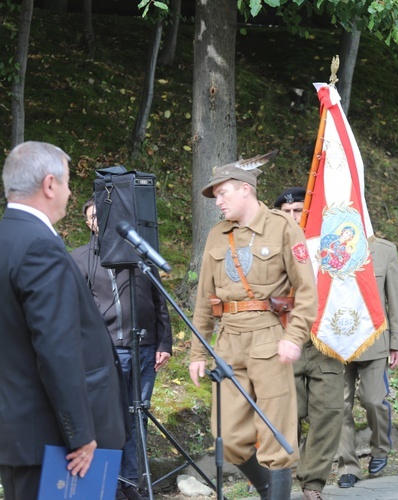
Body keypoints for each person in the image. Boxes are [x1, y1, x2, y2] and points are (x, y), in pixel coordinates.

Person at [0, 141, 126, 500]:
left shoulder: (6, 238)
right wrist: (81, 434)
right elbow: (57, 349)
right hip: (55, 444)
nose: (71, 193)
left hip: (18, 432)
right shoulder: (40, 246)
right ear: (50, 184)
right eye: (69, 183)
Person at [189, 160, 317, 500]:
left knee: (275, 432)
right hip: (228, 342)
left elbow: (306, 290)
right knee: (227, 437)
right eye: (216, 195)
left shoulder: (283, 227)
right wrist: (198, 352)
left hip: (269, 339)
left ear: (246, 189)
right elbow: (204, 299)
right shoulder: (217, 234)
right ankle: (264, 489)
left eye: (223, 193)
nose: (218, 201)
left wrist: (294, 337)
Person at [71, 198, 173, 500]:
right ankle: (111, 483)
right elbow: (78, 310)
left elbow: (159, 302)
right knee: (111, 419)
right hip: (109, 353)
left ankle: (132, 482)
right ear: (87, 224)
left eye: (101, 215)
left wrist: (164, 342)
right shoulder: (80, 259)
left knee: (137, 417)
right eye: (91, 218)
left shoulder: (140, 253)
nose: (97, 221)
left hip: (146, 348)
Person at [274, 186, 344, 500]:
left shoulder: (330, 248)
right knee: (287, 413)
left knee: (328, 413)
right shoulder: (268, 248)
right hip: (286, 339)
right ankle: (278, 476)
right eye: (286, 212)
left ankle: (312, 483)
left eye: (298, 211)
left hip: (324, 341)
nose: (292, 217)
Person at [337, 236, 398, 488]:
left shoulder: (384, 250)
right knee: (340, 407)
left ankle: (380, 448)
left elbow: (395, 299)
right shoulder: (328, 248)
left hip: (374, 340)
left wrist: (396, 341)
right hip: (338, 341)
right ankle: (348, 467)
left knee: (373, 400)